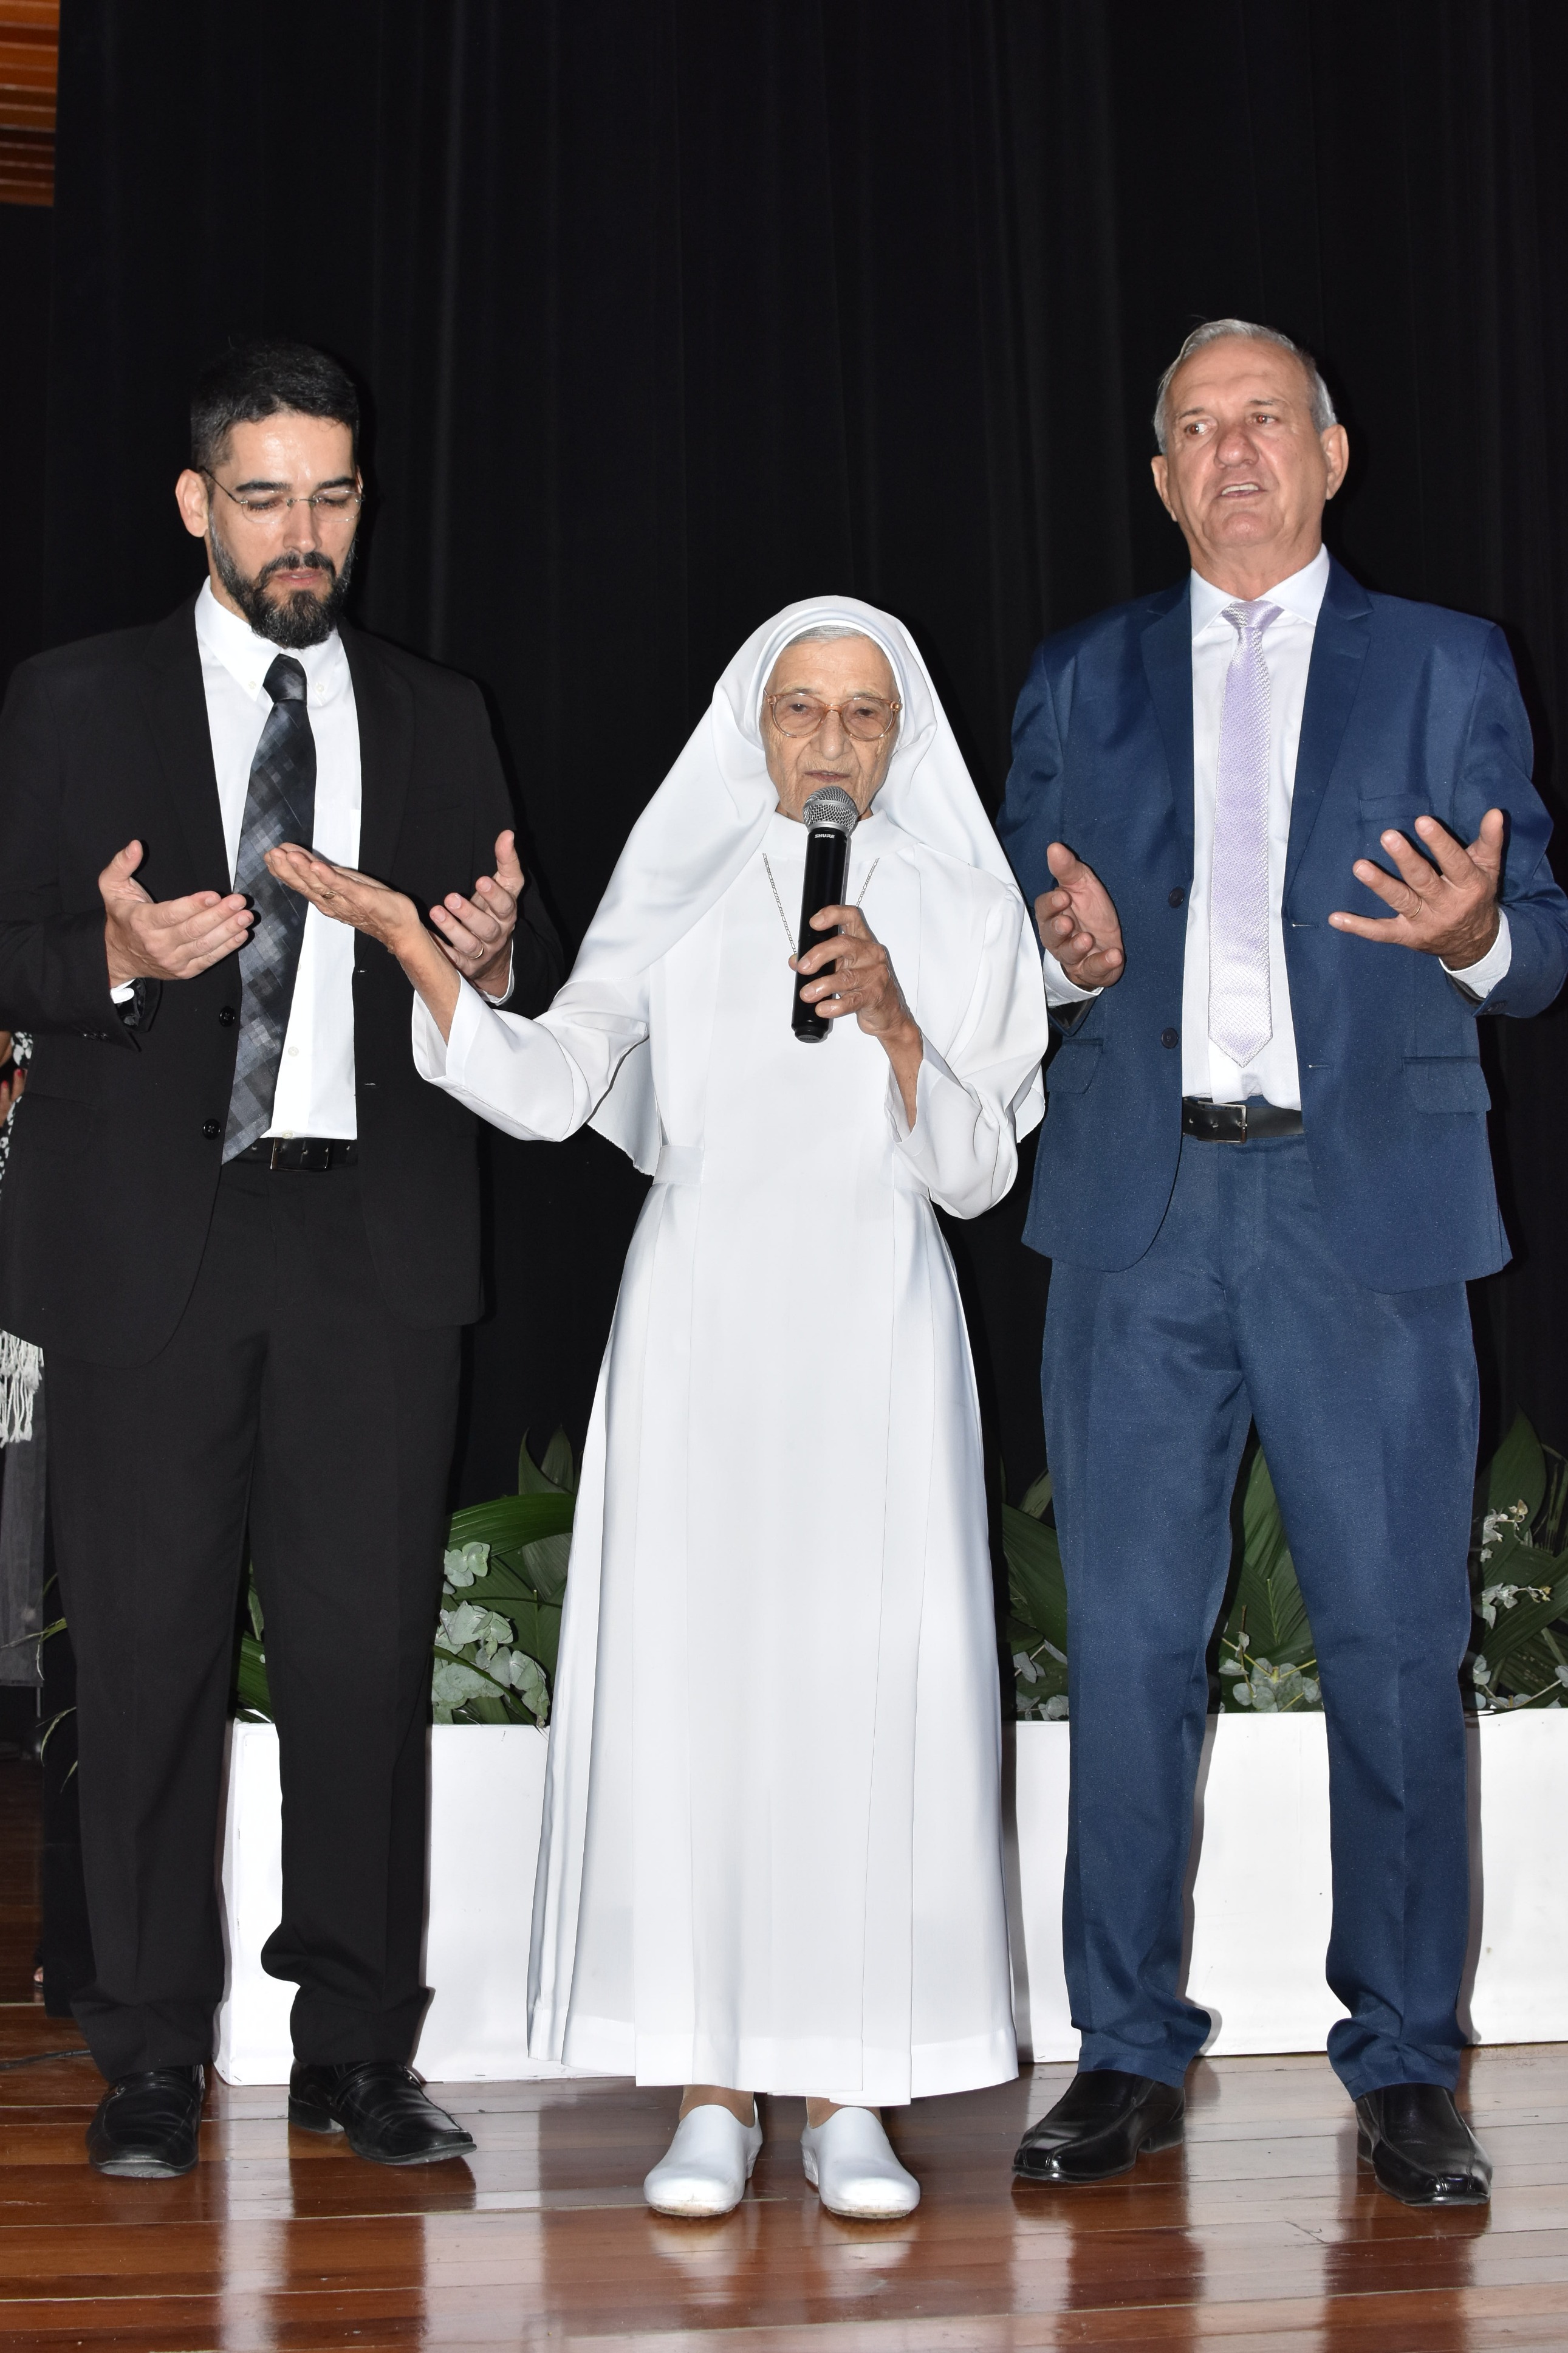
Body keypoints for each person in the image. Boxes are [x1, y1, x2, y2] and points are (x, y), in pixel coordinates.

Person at [264, 595, 1051, 2219]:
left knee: (860, 1693)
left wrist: (897, 1017)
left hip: (875, 1324)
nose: (831, 742)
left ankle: (850, 2091)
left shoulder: (965, 911)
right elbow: (553, 1088)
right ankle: (709, 2086)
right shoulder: (681, 883)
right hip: (700, 1324)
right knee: (703, 1695)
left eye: (864, 715)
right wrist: (424, 957)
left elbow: (978, 1175)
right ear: (751, 726)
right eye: (801, 709)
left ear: (901, 740)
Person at [997, 318, 1568, 2207]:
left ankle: (1405, 2061)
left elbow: (1541, 941)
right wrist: (1059, 962)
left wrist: (1475, 934)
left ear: (1333, 454)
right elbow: (1017, 935)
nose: (1234, 452)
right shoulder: (1080, 676)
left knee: (1397, 1649)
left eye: (1266, 421)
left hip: (1365, 1218)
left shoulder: (1449, 665)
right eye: (1197, 427)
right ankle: (1122, 2048)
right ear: (1160, 477)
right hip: (1138, 1221)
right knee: (1129, 1650)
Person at [0, 338, 563, 2177]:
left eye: (331, 496)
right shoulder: (72, 700)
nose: (302, 532)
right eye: (264, 499)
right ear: (196, 505)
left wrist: (486, 960)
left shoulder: (439, 711)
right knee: (144, 1661)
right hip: (148, 1246)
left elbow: (497, 973)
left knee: (360, 1664)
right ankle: (151, 2052)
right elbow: (8, 944)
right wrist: (107, 961)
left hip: (369, 1245)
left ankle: (359, 2049)